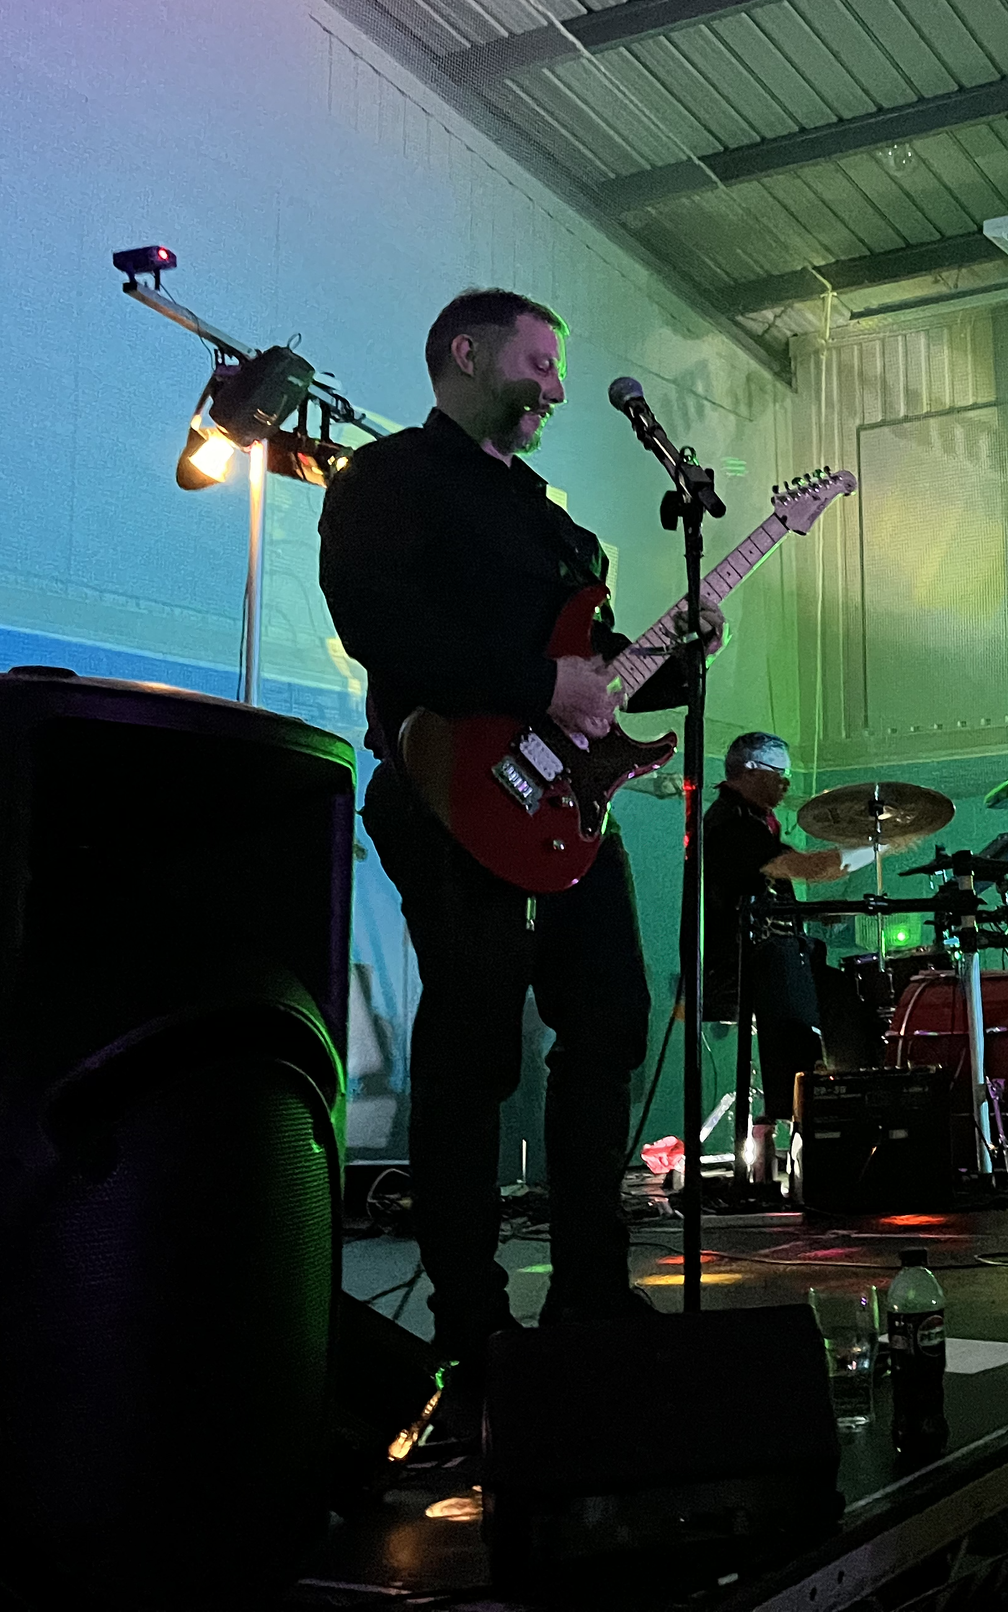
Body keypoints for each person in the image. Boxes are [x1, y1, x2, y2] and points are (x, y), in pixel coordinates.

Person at [318, 288, 723, 1387]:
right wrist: (543, 683)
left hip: (567, 804)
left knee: (610, 1021)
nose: (556, 387)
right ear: (466, 353)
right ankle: (472, 1320)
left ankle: (591, 1289)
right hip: (451, 792)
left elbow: (597, 677)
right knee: (474, 1045)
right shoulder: (389, 478)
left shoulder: (551, 521)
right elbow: (376, 622)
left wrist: (676, 656)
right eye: (538, 364)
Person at [703, 731, 899, 1185]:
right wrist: (877, 846)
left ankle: (840, 1101)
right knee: (796, 995)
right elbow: (806, 867)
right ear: (750, 772)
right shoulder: (732, 823)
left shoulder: (753, 821)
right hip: (743, 965)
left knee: (842, 993)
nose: (787, 783)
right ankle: (798, 1113)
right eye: (780, 774)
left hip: (772, 956)